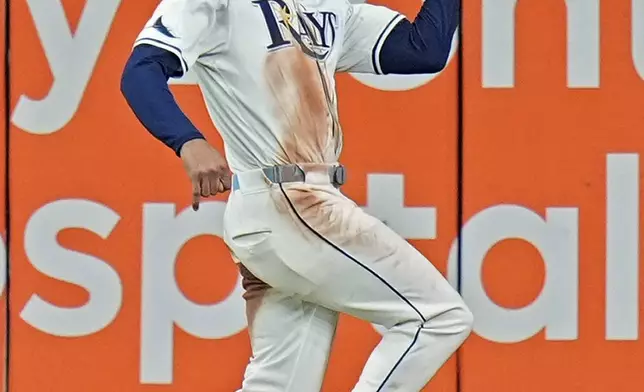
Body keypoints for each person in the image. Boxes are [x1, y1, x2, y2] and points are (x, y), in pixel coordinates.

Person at [121, 0, 471, 390]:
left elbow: (423, 49)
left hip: (287, 212)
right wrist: (188, 142)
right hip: (290, 204)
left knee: (279, 385)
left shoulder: (326, 7)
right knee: (436, 316)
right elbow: (141, 71)